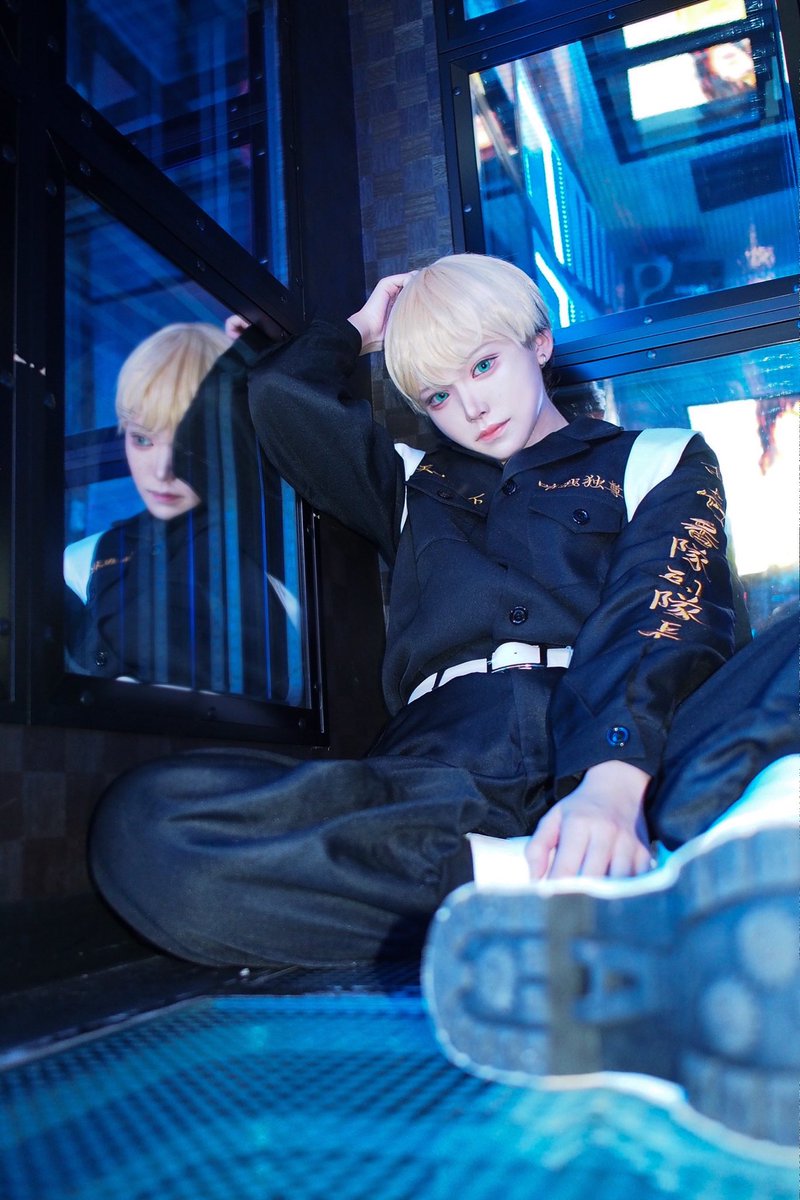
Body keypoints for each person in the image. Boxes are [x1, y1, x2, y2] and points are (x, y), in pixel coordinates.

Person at [88, 252, 796, 967]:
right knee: (144, 829)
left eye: (483, 365)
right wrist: (359, 331)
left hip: (639, 747)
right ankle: (556, 883)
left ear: (539, 343)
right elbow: (260, 407)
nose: (472, 408)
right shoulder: (409, 483)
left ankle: (602, 871)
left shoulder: (659, 457)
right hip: (446, 770)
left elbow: (663, 610)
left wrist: (610, 789)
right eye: (437, 395)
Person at [64, 322, 304, 703]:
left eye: (190, 444)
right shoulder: (83, 561)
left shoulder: (278, 542)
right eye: (142, 439)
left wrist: (255, 353)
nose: (162, 470)